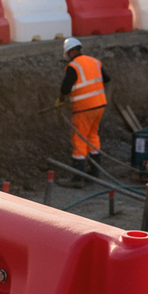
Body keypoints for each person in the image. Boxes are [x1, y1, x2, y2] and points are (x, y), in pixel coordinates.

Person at [56, 37, 110, 188]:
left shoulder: (73, 66)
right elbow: (107, 78)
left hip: (84, 108)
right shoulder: (95, 61)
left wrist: (61, 98)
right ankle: (94, 173)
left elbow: (66, 88)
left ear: (71, 52)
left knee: (79, 140)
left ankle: (78, 178)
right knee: (92, 136)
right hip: (99, 106)